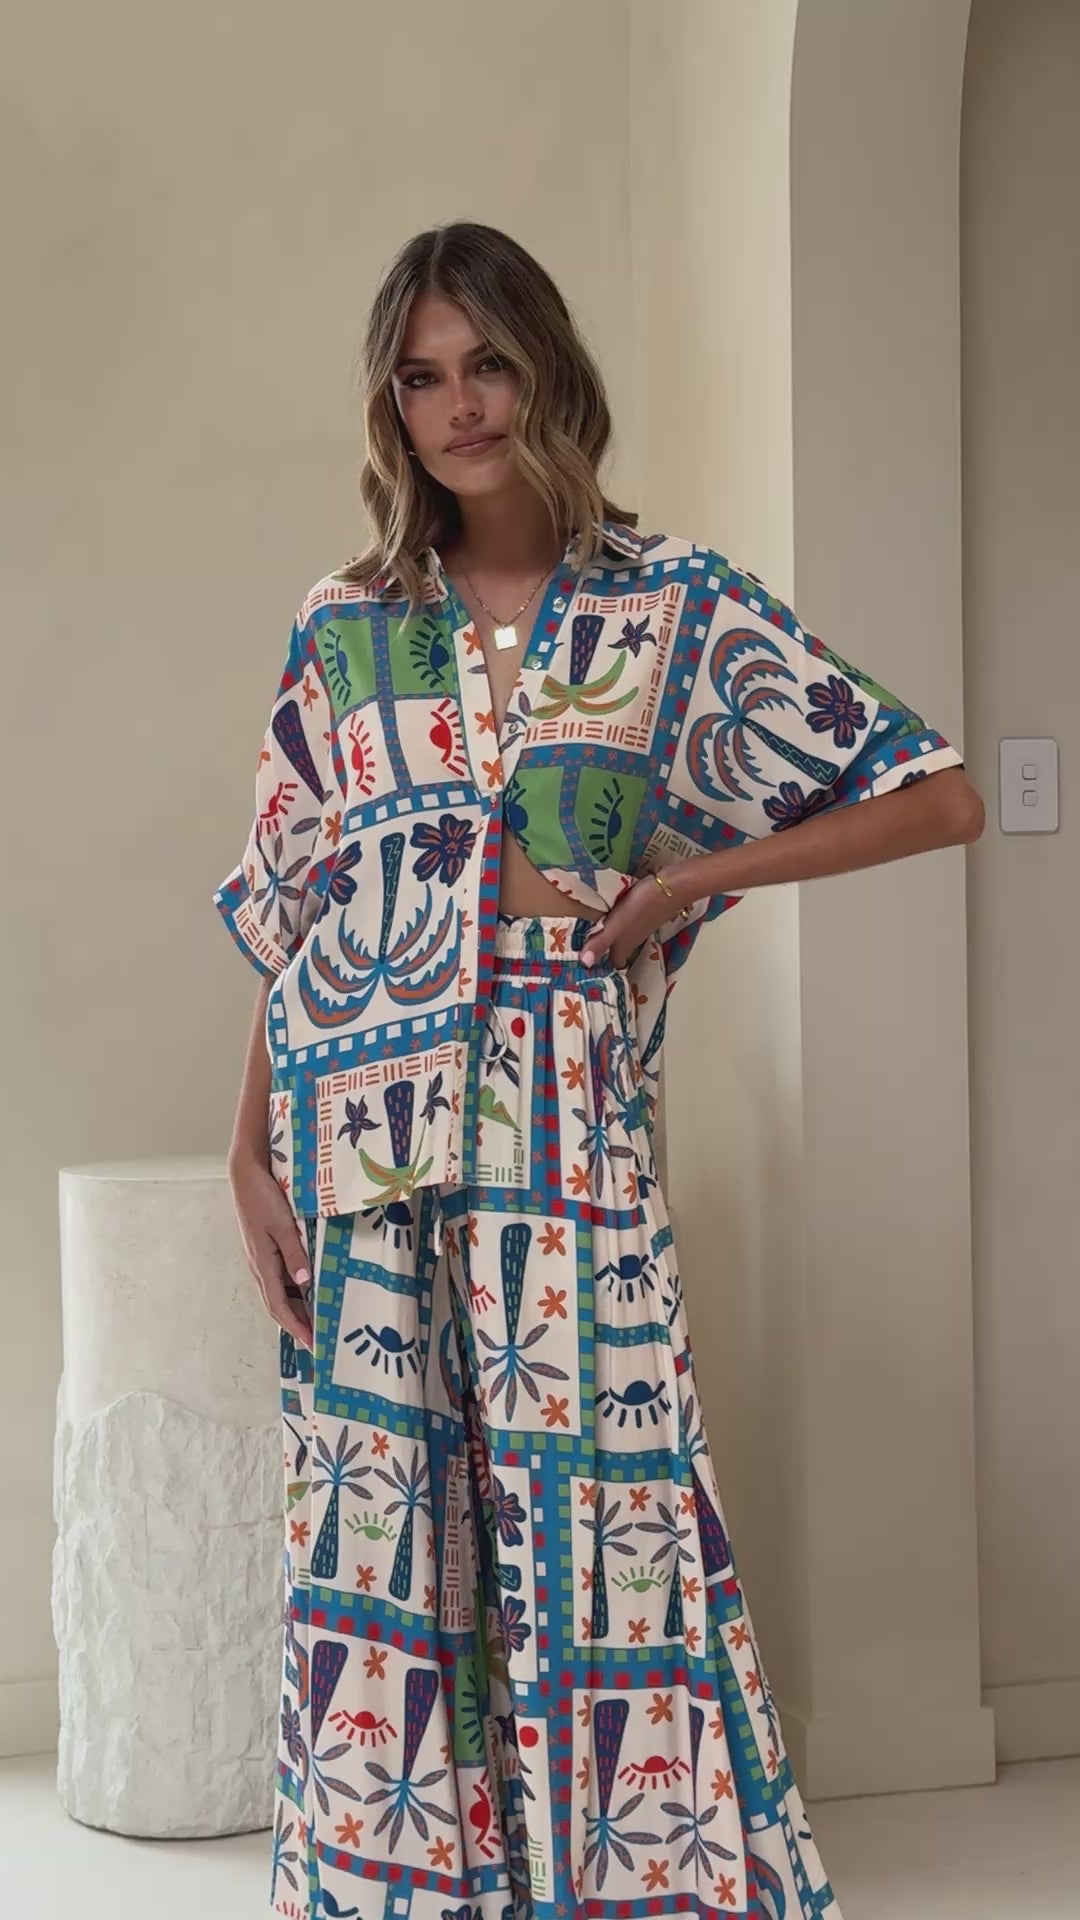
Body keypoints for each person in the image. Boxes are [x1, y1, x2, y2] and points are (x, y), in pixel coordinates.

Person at [212, 221, 983, 1920]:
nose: (460, 406)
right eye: (422, 378)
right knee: (386, 1544)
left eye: (487, 362)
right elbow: (295, 904)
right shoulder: (346, 625)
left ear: (545, 367)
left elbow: (936, 794)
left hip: (565, 1127)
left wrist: (694, 881)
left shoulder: (669, 601)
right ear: (392, 408)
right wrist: (248, 1153)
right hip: (361, 1138)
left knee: (606, 1533)